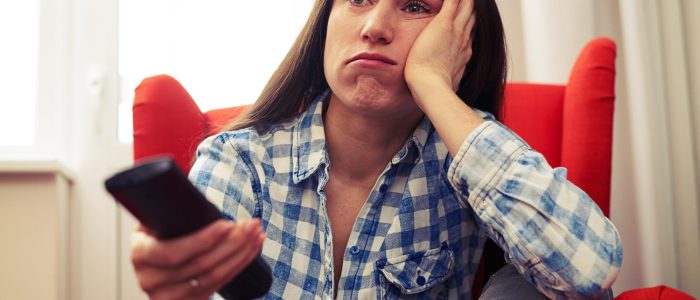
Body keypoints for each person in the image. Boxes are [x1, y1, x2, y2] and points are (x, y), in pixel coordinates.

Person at [129, 0, 623, 299]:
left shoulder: (468, 161)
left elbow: (589, 270)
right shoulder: (239, 160)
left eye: (415, 6)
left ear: (462, 40)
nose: (375, 27)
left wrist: (434, 85)